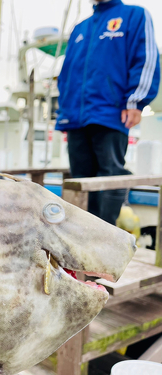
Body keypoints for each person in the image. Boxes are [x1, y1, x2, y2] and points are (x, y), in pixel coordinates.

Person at [56, 0, 160, 225]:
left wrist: (135, 101)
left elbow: (147, 58)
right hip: (75, 118)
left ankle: (105, 238)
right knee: (80, 179)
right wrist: (65, 110)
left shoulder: (134, 15)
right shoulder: (80, 28)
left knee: (111, 173)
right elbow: (66, 74)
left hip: (111, 113)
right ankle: (83, 238)